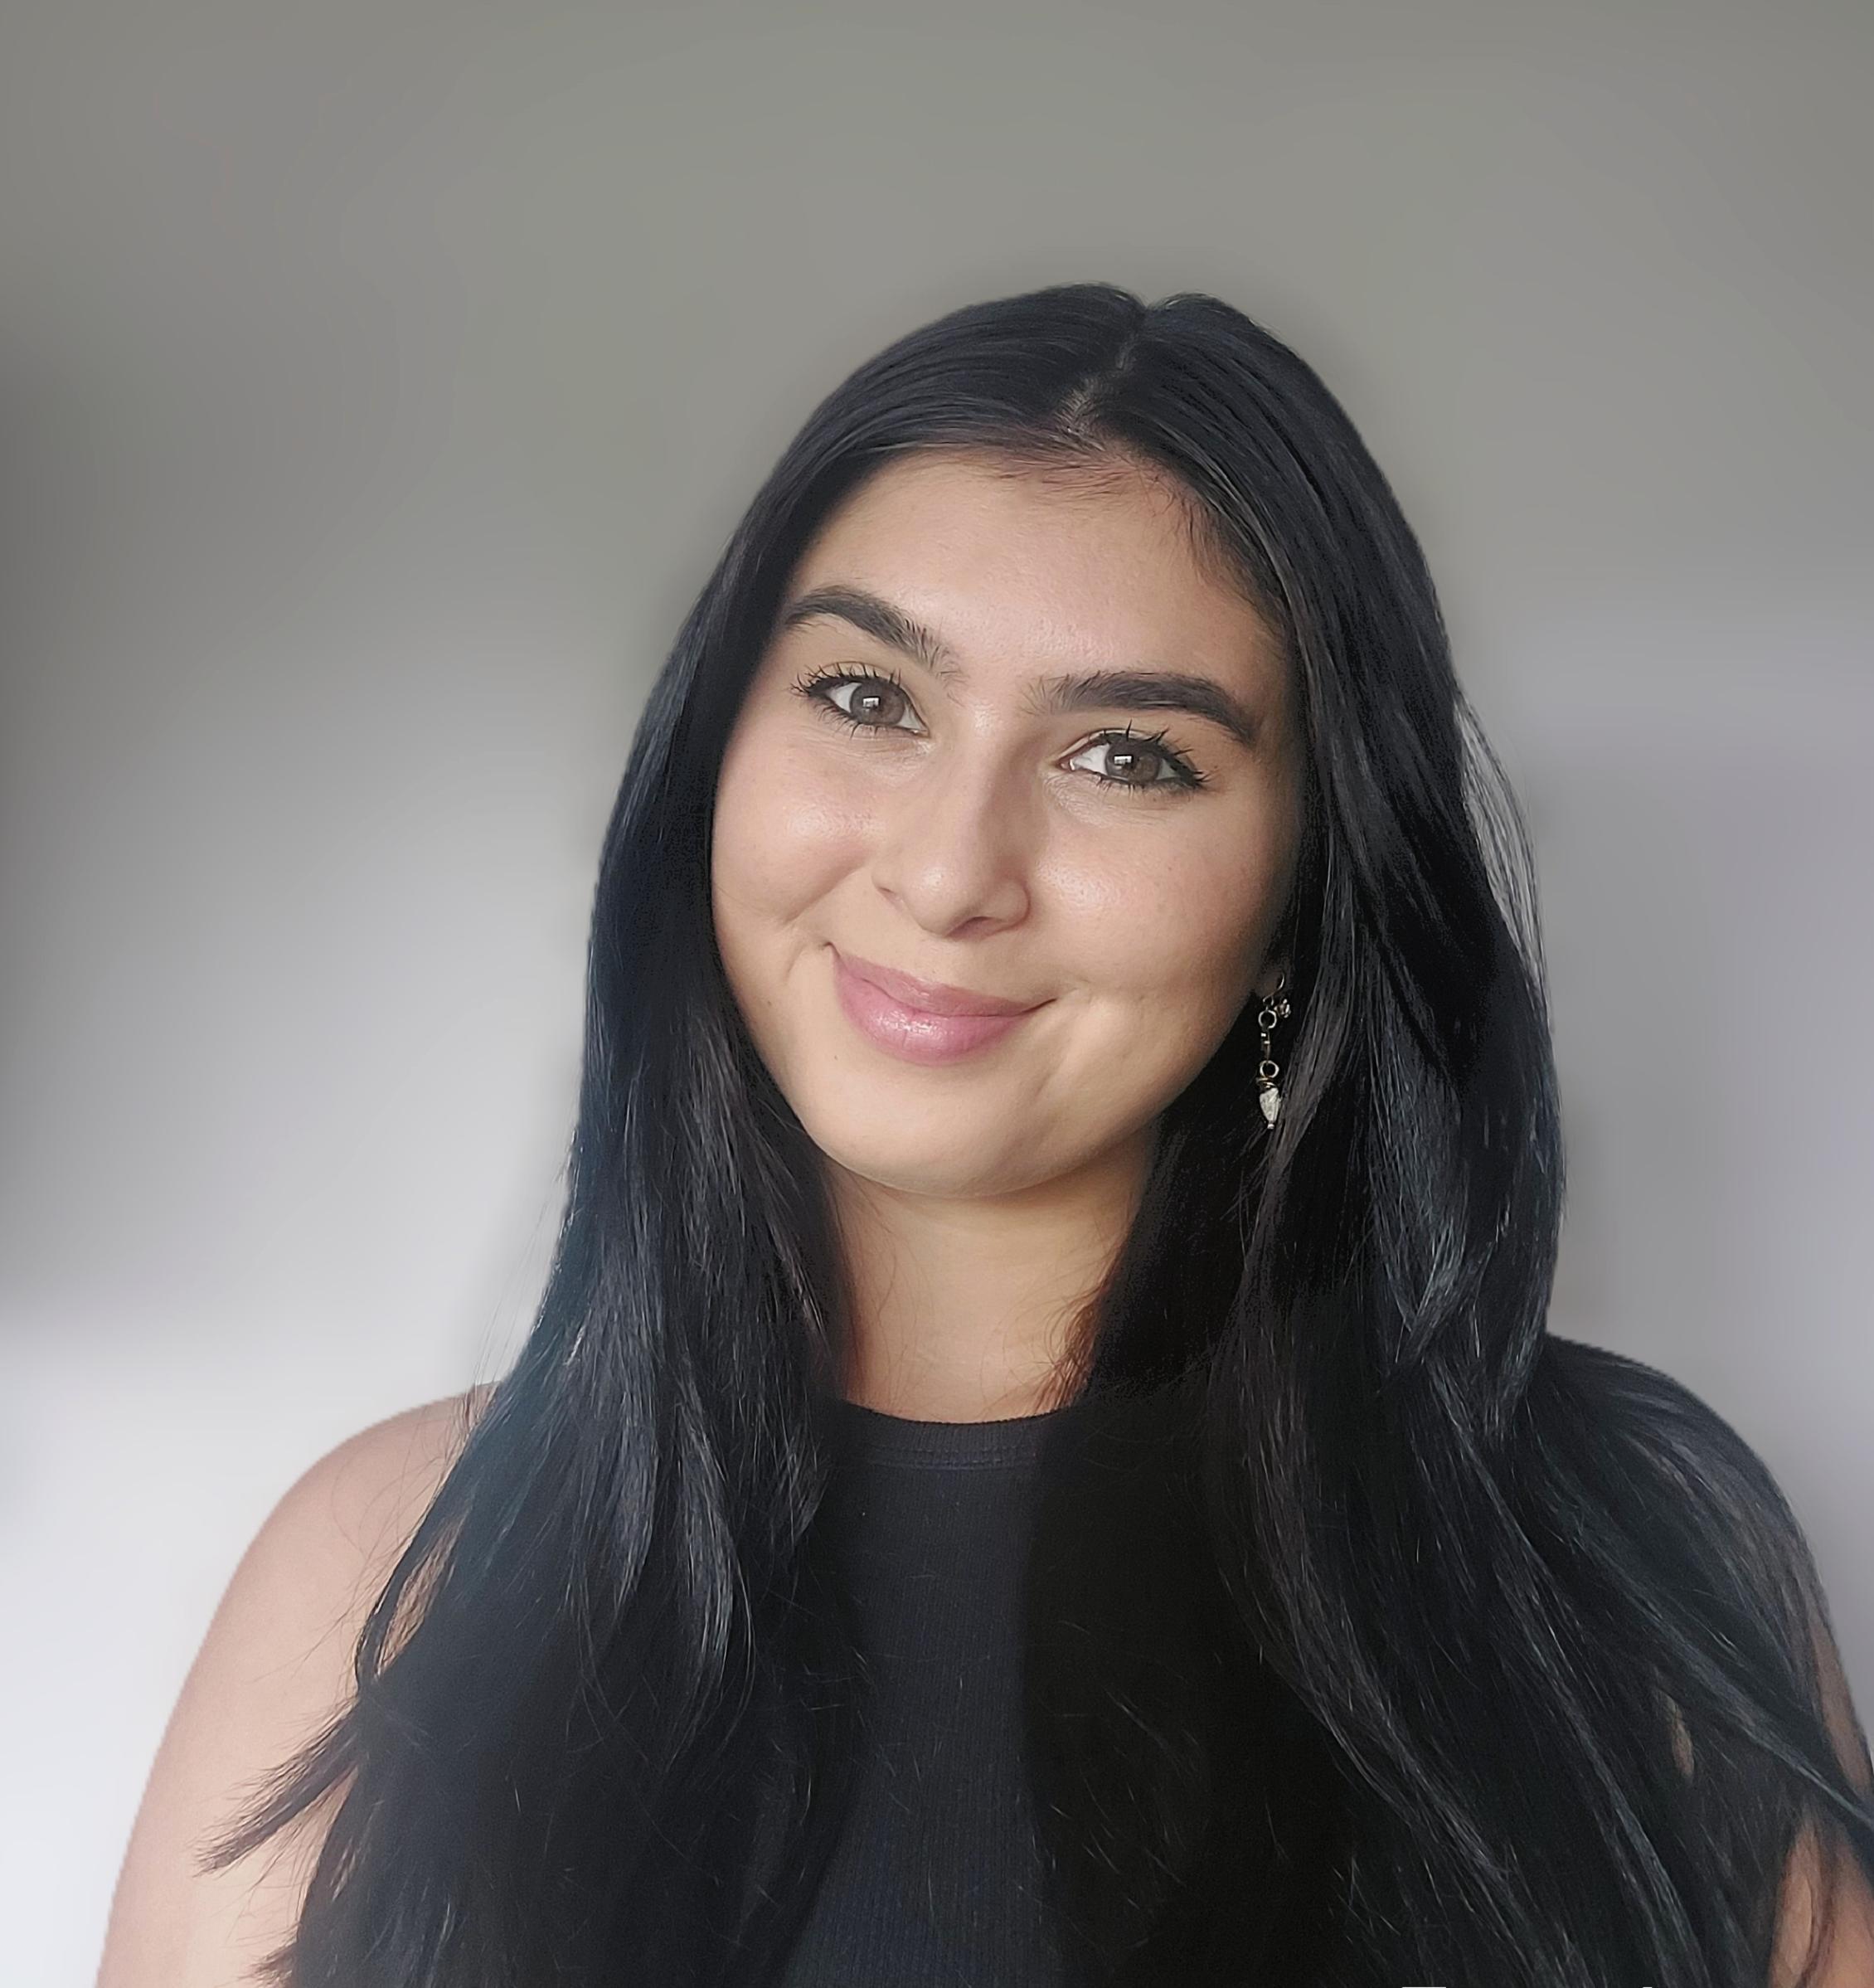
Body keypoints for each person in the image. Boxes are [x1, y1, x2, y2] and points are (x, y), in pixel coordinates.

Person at [98, 283, 1874, 1987]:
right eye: (868, 698)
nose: (949, 872)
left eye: (1125, 755)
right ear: (713, 749)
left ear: (1296, 894)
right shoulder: (387, 1560)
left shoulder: (1607, 1537)